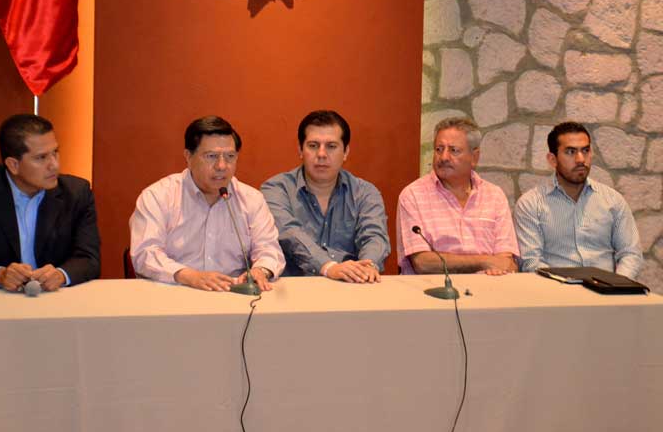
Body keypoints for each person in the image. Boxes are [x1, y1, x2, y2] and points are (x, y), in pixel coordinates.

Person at [0, 114, 101, 291]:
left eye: (55, 152)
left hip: (55, 299)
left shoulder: (77, 193)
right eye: (41, 157)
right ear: (13, 165)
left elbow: (89, 259)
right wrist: (0, 275)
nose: (54, 165)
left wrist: (61, 275)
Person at [129, 116, 285, 291]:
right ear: (188, 157)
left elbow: (269, 249)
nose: (222, 166)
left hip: (233, 295)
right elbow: (145, 253)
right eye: (211, 156)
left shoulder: (251, 199)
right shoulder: (158, 196)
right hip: (176, 292)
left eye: (230, 156)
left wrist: (261, 270)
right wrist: (189, 276)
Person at [261, 110, 390, 282]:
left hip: (351, 286)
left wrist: (368, 266)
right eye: (313, 145)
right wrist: (329, 267)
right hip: (293, 288)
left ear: (345, 152)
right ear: (300, 150)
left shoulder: (365, 192)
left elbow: (374, 236)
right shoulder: (276, 189)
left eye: (331, 146)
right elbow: (289, 234)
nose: (321, 154)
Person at [514, 122, 643, 277]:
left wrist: (618, 284)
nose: (581, 159)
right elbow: (531, 262)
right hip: (555, 289)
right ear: (552, 159)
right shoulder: (531, 204)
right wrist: (564, 287)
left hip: (607, 289)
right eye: (571, 152)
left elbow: (631, 253)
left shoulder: (612, 200)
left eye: (585, 150)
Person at [397, 117, 519, 275]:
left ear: (474, 157)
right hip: (431, 287)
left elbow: (505, 261)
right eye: (439, 149)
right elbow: (423, 263)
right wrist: (484, 262)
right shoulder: (413, 195)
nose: (444, 157)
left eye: (453, 150)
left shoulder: (495, 196)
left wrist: (497, 267)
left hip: (488, 286)